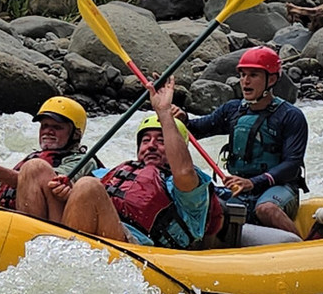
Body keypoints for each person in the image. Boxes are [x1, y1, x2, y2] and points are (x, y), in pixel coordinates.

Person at [60, 76, 222, 249]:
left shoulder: (188, 188)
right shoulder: (111, 172)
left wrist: (164, 112)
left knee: (87, 186)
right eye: (145, 140)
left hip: (141, 248)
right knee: (39, 169)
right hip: (100, 230)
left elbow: (184, 171)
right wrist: (66, 191)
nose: (151, 145)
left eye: (161, 141)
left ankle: (64, 254)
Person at [178, 46, 308, 237]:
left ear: (271, 80)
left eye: (253, 75)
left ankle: (301, 247)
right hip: (241, 188)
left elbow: (292, 165)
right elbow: (195, 130)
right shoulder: (233, 110)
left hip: (280, 188)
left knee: (266, 209)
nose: (245, 81)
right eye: (242, 75)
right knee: (205, 203)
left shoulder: (290, 116)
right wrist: (182, 119)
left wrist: (253, 182)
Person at [0, 96, 102, 223]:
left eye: (57, 127)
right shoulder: (31, 159)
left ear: (75, 134)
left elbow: (49, 184)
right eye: (44, 126)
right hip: (7, 222)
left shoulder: (83, 161)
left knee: (34, 168)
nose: (48, 131)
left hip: (48, 225)